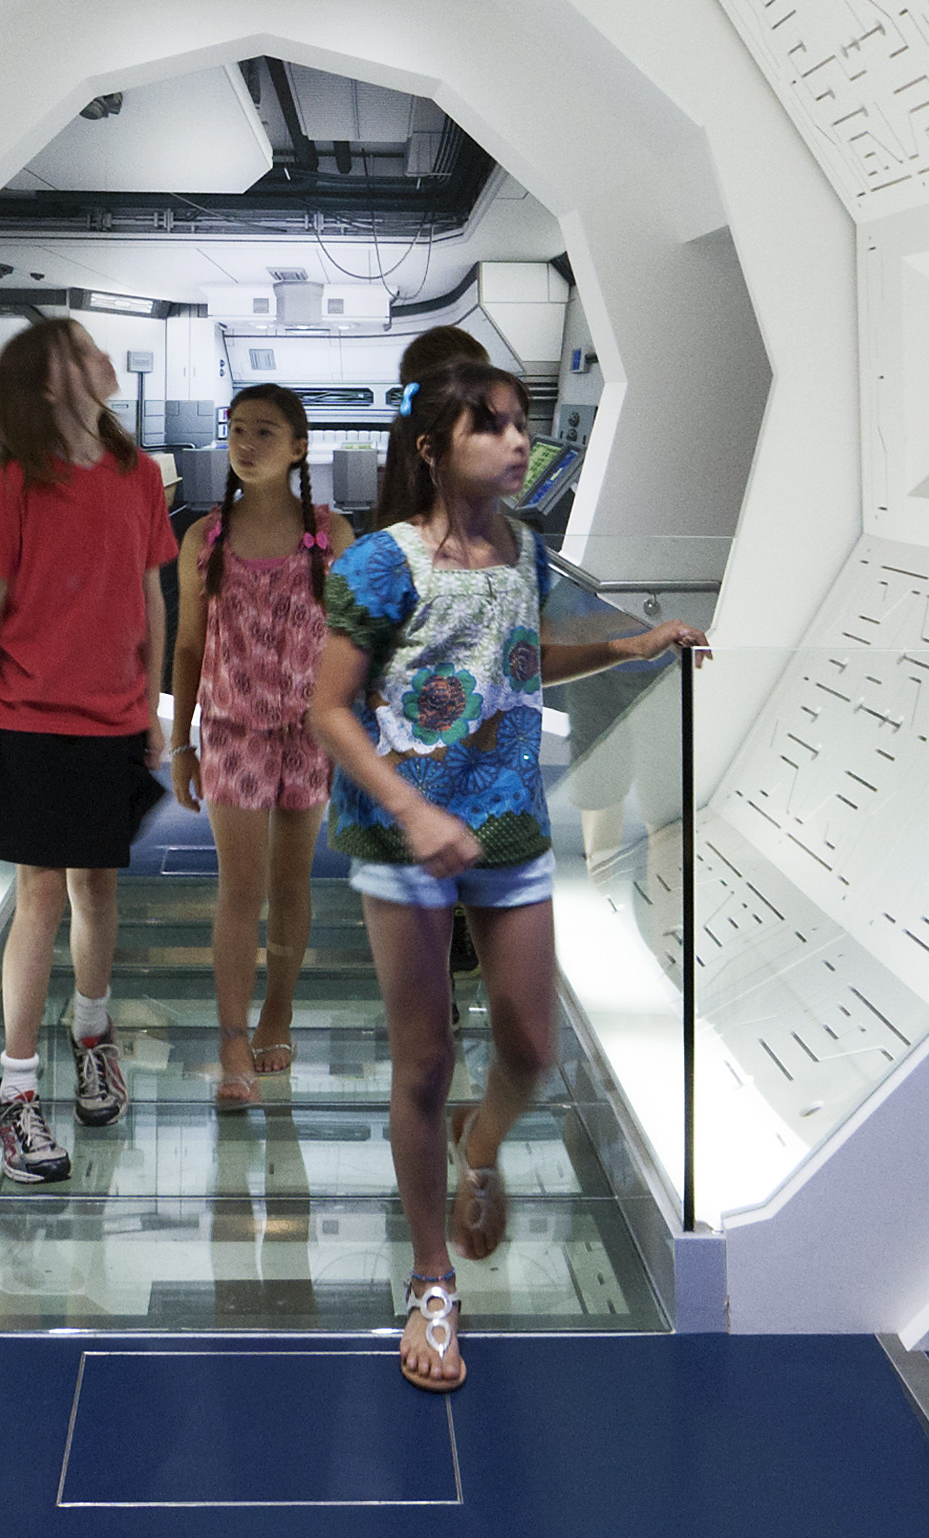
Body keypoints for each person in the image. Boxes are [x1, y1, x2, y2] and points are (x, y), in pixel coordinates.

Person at [310, 360, 705, 1389]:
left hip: (512, 829)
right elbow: (328, 709)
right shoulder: (378, 565)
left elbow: (520, 659)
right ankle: (431, 1279)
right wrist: (412, 808)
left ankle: (475, 1150)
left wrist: (632, 643)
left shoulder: (524, 550)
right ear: (433, 451)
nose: (516, 442)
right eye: (488, 427)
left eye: (519, 425)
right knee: (424, 1058)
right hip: (406, 841)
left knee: (531, 1050)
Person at [0, 315, 178, 1187]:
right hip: (31, 717)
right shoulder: (16, 483)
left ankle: (95, 1038)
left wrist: (153, 700)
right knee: (40, 895)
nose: (102, 357)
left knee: (95, 886)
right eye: (82, 349)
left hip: (112, 716)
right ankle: (17, 1091)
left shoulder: (138, 475)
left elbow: (149, 589)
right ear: (52, 384)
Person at [166, 381, 346, 1113]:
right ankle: (232, 1035)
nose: (246, 444)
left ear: (299, 447)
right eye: (238, 430)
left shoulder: (329, 536)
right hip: (233, 730)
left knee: (291, 884)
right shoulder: (204, 538)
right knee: (240, 889)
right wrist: (181, 743)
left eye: (265, 432)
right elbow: (186, 645)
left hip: (308, 732)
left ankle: (280, 1009)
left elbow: (352, 641)